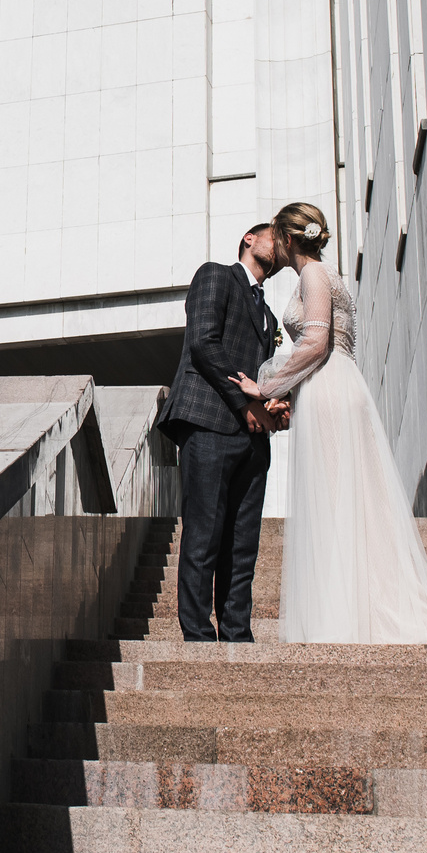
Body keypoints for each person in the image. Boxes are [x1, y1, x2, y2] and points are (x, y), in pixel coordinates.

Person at [231, 202, 427, 645]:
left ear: (285, 238)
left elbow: (317, 340)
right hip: (334, 384)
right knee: (345, 497)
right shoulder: (324, 275)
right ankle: (353, 609)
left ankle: (344, 619)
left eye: (277, 237)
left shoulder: (313, 275)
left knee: (336, 496)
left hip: (328, 385)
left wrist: (267, 389)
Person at [157, 222, 289, 642]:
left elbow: (263, 377)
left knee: (243, 544)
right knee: (203, 536)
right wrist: (245, 403)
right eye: (274, 235)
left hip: (253, 441)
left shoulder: (269, 316)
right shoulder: (215, 274)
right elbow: (204, 343)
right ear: (249, 239)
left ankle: (237, 634)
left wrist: (274, 404)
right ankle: (197, 637)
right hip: (210, 424)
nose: (280, 244)